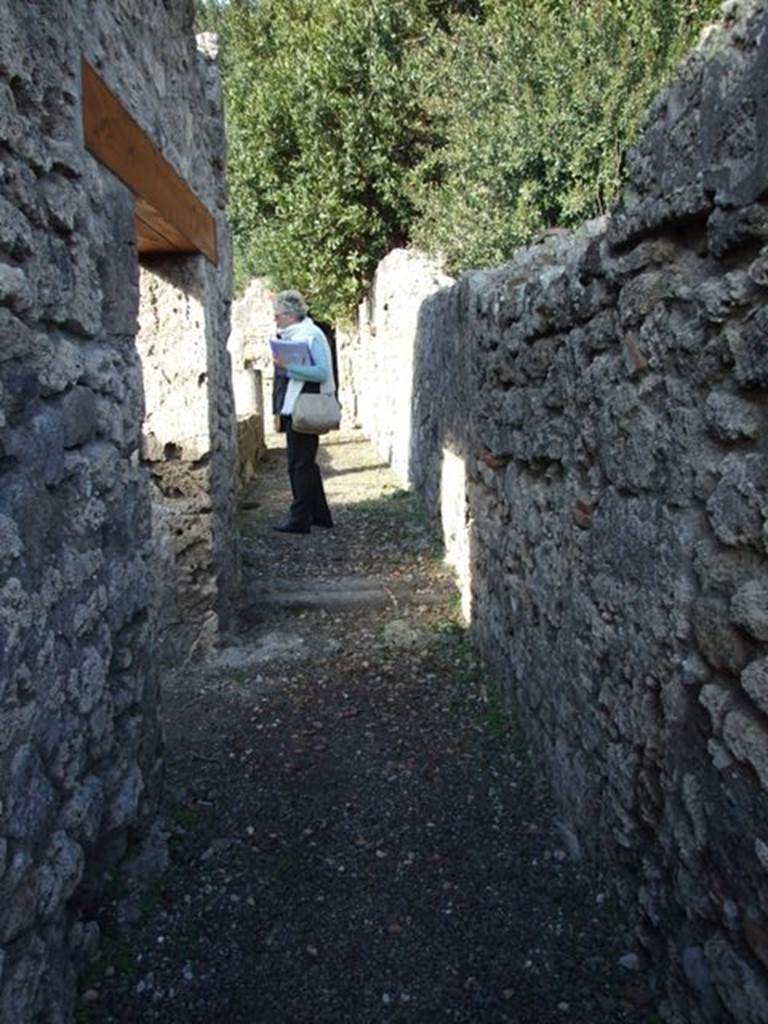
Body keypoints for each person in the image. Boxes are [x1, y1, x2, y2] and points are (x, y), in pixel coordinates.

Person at [270, 289, 335, 534]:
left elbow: (321, 372)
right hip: (295, 405)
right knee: (304, 462)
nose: (275, 319)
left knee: (299, 464)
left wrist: (289, 368)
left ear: (290, 315)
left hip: (303, 406)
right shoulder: (299, 334)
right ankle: (320, 515)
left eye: (278, 315)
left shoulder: (310, 335)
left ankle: (300, 519)